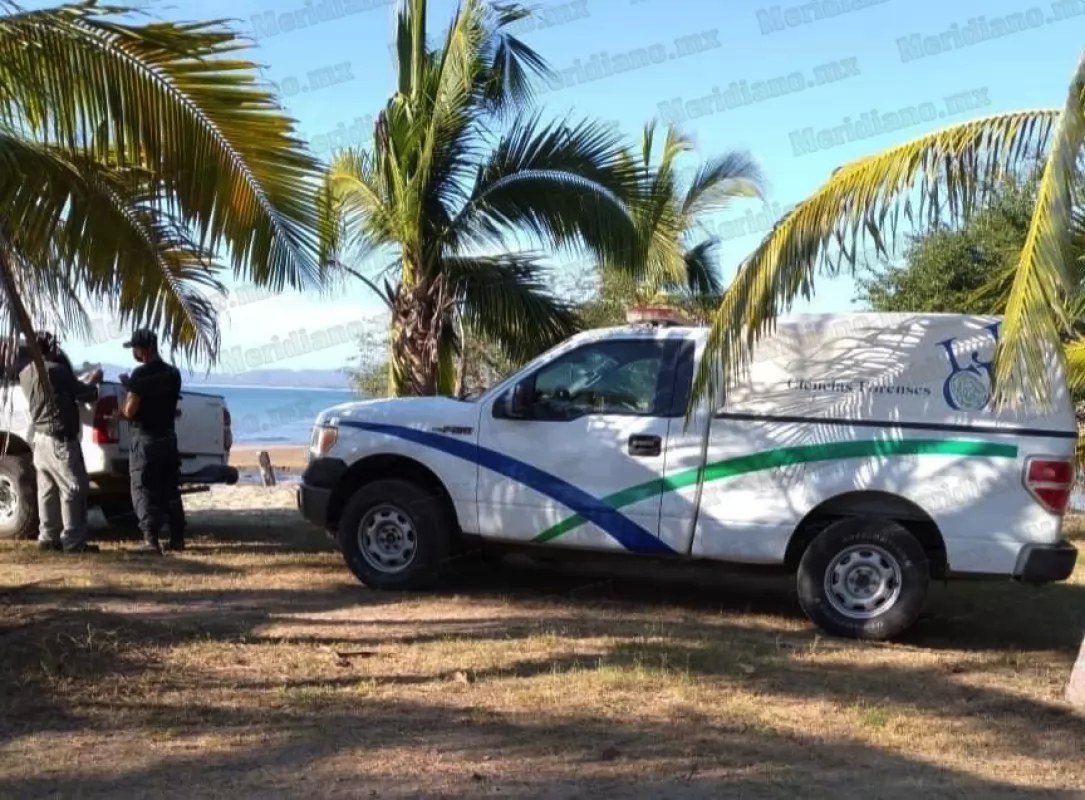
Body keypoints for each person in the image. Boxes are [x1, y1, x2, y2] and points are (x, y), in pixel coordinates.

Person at [18, 331, 103, 553]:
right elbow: (84, 394)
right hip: (59, 439)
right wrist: (93, 383)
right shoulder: (56, 371)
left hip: (39, 438)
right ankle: (74, 541)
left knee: (46, 490)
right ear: (50, 348)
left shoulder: (25, 373)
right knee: (73, 487)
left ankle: (48, 537)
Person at [117, 328, 185, 555]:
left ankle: (151, 540)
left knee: (143, 488)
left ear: (144, 350)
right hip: (168, 436)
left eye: (135, 349)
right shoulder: (173, 374)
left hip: (146, 439)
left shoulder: (139, 375)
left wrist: (124, 406)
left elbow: (130, 409)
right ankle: (177, 538)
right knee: (170, 488)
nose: (133, 353)